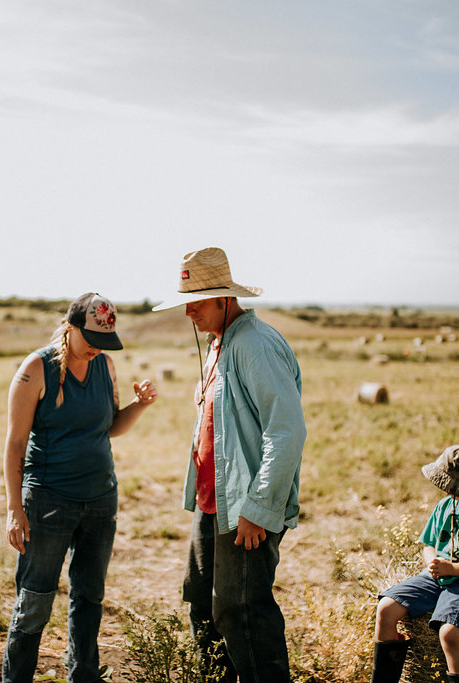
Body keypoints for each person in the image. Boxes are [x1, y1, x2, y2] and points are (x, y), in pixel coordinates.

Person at [152, 247, 306, 683]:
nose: (189, 313)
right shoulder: (220, 342)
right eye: (186, 303)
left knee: (242, 611)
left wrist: (258, 508)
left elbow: (286, 431)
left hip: (244, 506)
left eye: (196, 303)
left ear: (224, 298)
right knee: (202, 602)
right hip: (214, 499)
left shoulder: (255, 345)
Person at [2, 292, 158, 683]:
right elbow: (15, 444)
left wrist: (139, 407)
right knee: (35, 601)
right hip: (49, 501)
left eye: (104, 343)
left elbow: (110, 428)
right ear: (71, 328)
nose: (97, 350)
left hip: (101, 501)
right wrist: (14, 509)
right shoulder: (35, 369)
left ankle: (84, 677)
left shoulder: (105, 364)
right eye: (91, 340)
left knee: (89, 598)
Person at [371, 444, 459, 683]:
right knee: (386, 608)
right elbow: (428, 545)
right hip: (437, 578)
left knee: (449, 632)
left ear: (458, 485)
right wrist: (432, 563)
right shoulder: (445, 506)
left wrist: (453, 569)